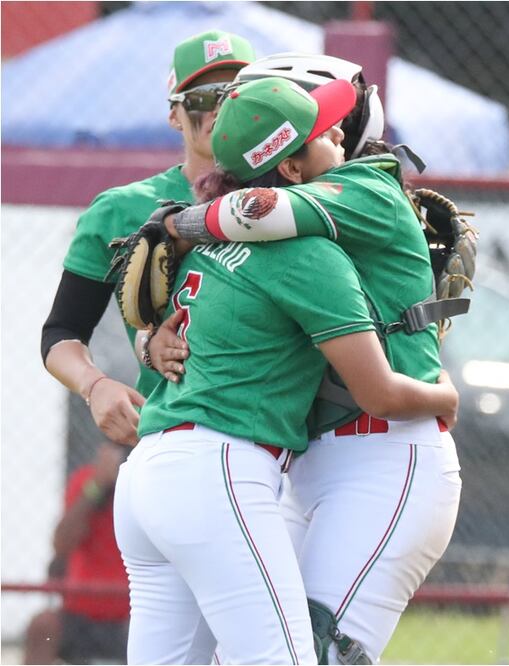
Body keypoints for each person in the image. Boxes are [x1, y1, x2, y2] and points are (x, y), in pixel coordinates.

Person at [112, 76, 459, 665]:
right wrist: (442, 394)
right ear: (292, 172)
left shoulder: (208, 244)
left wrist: (149, 337)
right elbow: (377, 390)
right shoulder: (306, 251)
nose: (340, 140)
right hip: (219, 469)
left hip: (148, 474)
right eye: (322, 134)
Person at [39, 30, 256, 446]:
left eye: (237, 95)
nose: (223, 109)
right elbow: (62, 331)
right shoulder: (120, 210)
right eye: (204, 97)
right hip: (171, 431)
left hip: (277, 436)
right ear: (175, 114)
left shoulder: (289, 200)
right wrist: (94, 384)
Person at [24, 443, 129, 665]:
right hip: (80, 613)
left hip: (130, 616)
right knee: (43, 626)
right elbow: (61, 544)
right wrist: (98, 485)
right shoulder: (86, 482)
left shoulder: (144, 486)